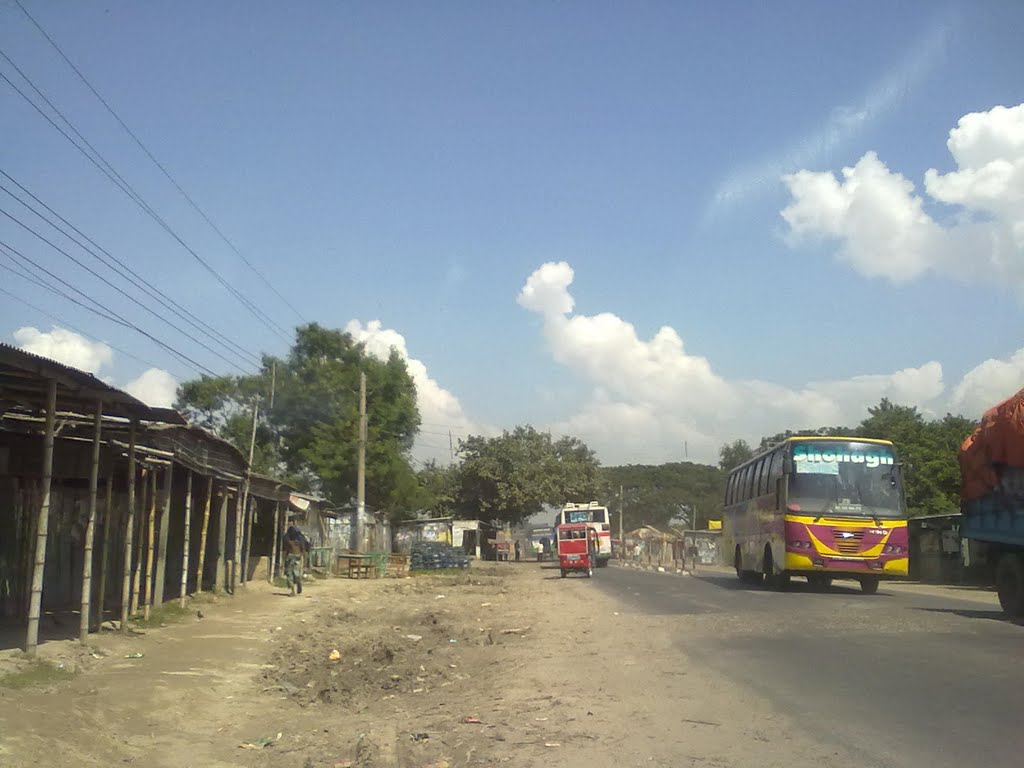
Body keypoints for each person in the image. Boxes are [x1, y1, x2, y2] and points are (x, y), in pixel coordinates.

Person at [282, 521, 310, 595]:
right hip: (298, 556)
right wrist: (304, 559)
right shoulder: (300, 539)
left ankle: (292, 591)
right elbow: (304, 549)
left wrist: (283, 559)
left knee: (289, 573)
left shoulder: (287, 538)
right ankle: (298, 581)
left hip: (290, 556)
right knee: (296, 572)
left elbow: (285, 550)